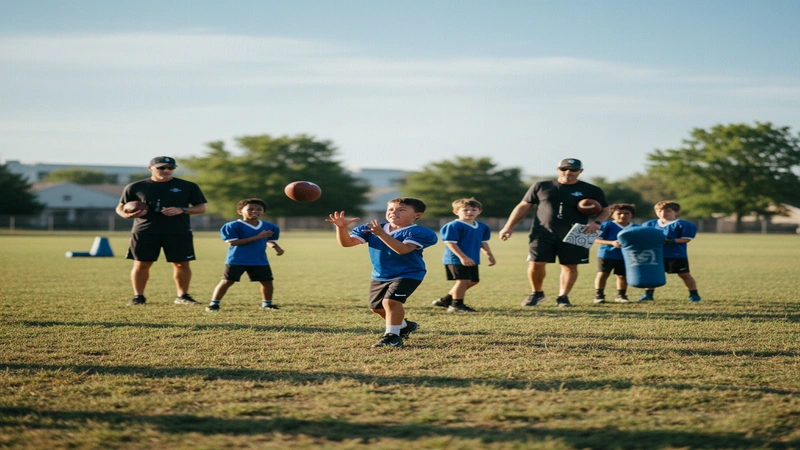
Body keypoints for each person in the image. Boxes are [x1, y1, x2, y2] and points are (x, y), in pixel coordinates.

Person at [326, 198, 438, 348]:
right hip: (380, 274)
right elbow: (347, 243)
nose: (394, 212)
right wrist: (341, 228)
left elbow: (403, 249)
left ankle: (392, 337)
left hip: (408, 273)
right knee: (377, 307)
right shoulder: (373, 228)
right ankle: (404, 326)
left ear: (417, 215)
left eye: (401, 210)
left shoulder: (419, 232)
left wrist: (381, 234)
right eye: (391, 209)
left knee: (390, 302)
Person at [498, 158, 610, 308]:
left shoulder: (591, 189)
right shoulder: (541, 186)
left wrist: (596, 223)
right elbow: (524, 206)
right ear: (558, 169)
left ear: (580, 171)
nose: (568, 172)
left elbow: (605, 210)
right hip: (542, 231)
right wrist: (508, 226)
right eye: (564, 169)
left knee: (569, 265)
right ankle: (537, 293)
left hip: (577, 231)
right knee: (535, 263)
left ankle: (563, 297)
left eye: (573, 169)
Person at [117, 156, 207, 306]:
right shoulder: (135, 187)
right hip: (145, 231)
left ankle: (182, 296)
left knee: (181, 264)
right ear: (150, 168)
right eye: (161, 168)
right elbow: (120, 207)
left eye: (170, 168)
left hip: (178, 231)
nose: (166, 170)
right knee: (141, 264)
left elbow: (201, 208)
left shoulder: (187, 186)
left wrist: (182, 209)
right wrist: (126, 214)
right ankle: (138, 297)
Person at [205, 198, 284, 312]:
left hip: (259, 259)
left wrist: (276, 247)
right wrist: (258, 236)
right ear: (240, 211)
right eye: (250, 209)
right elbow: (233, 242)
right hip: (237, 259)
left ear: (263, 212)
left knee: (267, 282)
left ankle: (267, 304)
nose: (254, 211)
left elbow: (268, 240)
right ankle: (214, 304)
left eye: (259, 209)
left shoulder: (269, 226)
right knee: (227, 281)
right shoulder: (233, 226)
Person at [432, 198, 496, 313]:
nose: (469, 212)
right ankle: (456, 305)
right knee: (463, 281)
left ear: (479, 211)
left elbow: (483, 242)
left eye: (473, 210)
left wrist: (489, 255)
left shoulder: (482, 226)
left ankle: (446, 300)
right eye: (465, 210)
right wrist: (463, 257)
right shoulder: (453, 226)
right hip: (456, 258)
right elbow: (450, 243)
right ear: (456, 212)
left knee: (473, 281)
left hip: (473, 258)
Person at [637, 201, 702, 303]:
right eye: (660, 211)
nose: (663, 213)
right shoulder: (649, 224)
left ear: (676, 212)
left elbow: (686, 239)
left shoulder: (682, 224)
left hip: (676, 254)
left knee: (684, 274)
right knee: (653, 274)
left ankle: (694, 294)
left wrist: (671, 240)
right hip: (656, 255)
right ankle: (648, 295)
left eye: (667, 211)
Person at [593, 203, 638, 304]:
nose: (623, 215)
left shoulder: (636, 227)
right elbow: (596, 240)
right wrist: (612, 243)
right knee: (603, 274)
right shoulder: (607, 225)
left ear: (632, 215)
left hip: (626, 255)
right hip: (607, 254)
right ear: (612, 215)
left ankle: (621, 295)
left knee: (622, 276)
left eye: (626, 213)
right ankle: (599, 295)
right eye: (619, 213)